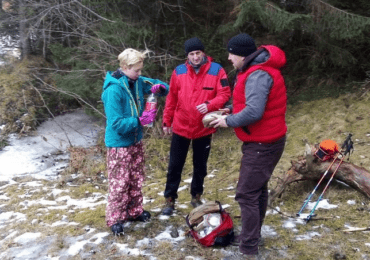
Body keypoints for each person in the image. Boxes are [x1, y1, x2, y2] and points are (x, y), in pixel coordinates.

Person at [210, 33, 287, 258]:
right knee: (257, 190)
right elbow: (249, 102)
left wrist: (227, 121)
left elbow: (254, 111)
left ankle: (248, 248)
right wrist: (231, 110)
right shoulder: (255, 69)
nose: (229, 58)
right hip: (264, 140)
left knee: (246, 194)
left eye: (232, 54)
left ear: (242, 55)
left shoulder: (258, 74)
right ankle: (252, 237)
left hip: (264, 143)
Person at [101, 48, 169, 235]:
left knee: (136, 178)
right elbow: (116, 124)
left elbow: (162, 86)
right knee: (120, 182)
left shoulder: (137, 81)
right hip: (119, 144)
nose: (140, 74)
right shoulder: (113, 90)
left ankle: (134, 211)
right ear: (124, 67)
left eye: (141, 70)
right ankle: (115, 218)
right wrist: (140, 120)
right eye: (136, 70)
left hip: (135, 140)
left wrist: (160, 88)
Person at [161, 37, 231, 215]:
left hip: (203, 127)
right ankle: (169, 200)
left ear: (203, 52)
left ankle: (196, 197)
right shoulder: (179, 71)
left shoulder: (217, 70)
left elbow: (225, 94)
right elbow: (172, 98)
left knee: (200, 166)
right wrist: (166, 120)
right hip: (181, 126)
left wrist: (210, 104)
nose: (195, 57)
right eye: (191, 54)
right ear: (187, 56)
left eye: (198, 53)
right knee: (175, 165)